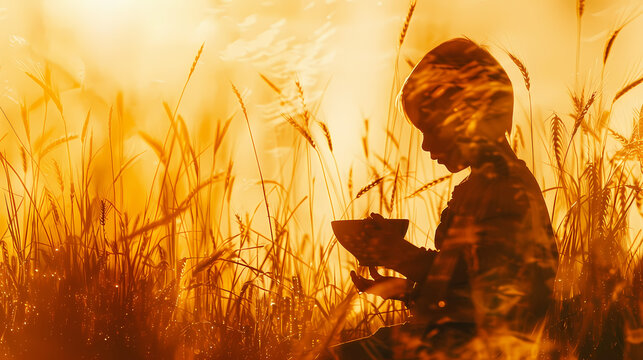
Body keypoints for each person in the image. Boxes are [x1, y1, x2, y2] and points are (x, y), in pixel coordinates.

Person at [324, 38, 559, 359]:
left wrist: (402, 257)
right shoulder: (486, 184)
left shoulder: (505, 188)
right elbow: (465, 279)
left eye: (431, 128)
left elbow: (498, 300)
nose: (423, 145)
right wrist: (405, 284)